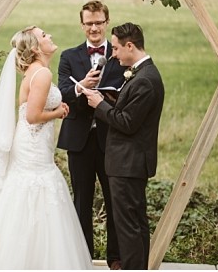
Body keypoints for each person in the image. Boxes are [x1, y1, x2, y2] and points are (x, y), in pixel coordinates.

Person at [0, 27, 90, 269]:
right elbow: (33, 116)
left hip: (33, 142)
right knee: (34, 190)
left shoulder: (37, 71)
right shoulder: (42, 74)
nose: (50, 36)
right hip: (33, 143)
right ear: (35, 48)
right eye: (44, 35)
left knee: (28, 192)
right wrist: (59, 112)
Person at [82, 22, 165, 270]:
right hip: (129, 162)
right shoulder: (141, 74)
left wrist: (100, 104)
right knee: (135, 223)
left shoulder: (146, 80)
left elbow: (127, 123)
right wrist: (114, 101)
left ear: (130, 45)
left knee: (128, 226)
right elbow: (131, 112)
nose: (113, 54)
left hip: (128, 162)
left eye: (116, 48)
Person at [57, 0, 123, 269]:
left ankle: (115, 257)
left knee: (114, 199)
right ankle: (82, 256)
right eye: (89, 23)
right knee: (82, 200)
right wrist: (80, 86)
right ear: (82, 25)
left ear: (106, 22)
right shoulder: (69, 57)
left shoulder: (120, 55)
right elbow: (59, 94)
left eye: (98, 22)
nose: (94, 28)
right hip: (79, 139)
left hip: (112, 138)